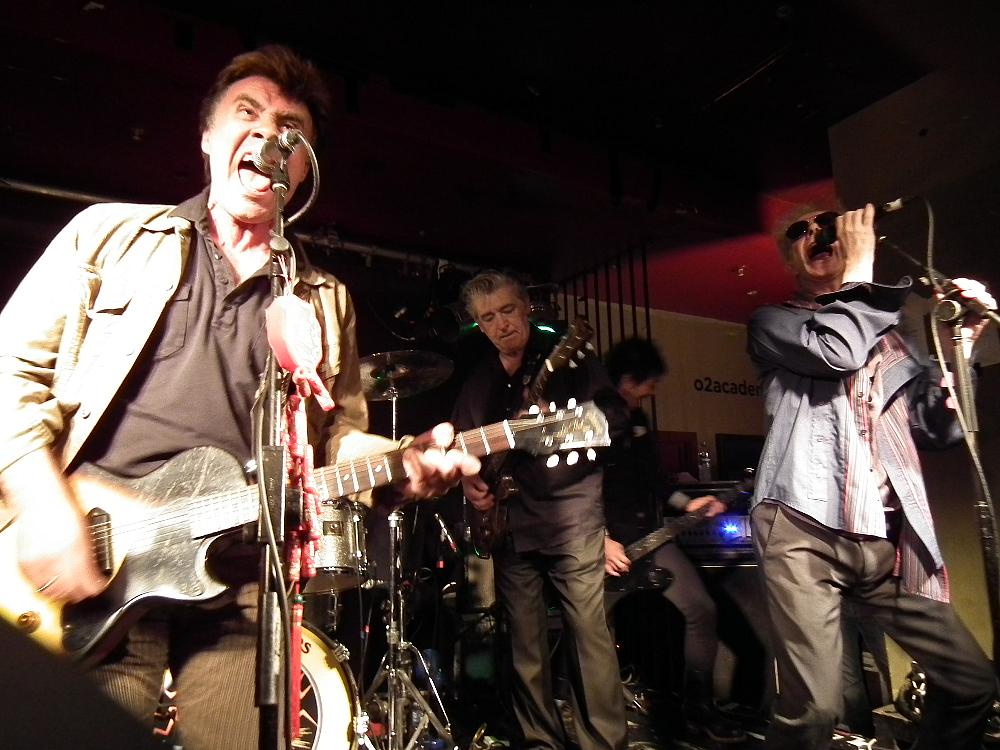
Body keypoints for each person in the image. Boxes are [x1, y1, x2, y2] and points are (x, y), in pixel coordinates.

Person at [0, 45, 478, 750]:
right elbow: (10, 370)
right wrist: (39, 501)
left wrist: (403, 463)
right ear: (207, 136)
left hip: (246, 576)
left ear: (303, 168)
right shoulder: (108, 236)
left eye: (290, 129)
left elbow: (335, 437)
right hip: (100, 556)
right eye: (246, 113)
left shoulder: (322, 298)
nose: (266, 134)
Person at [746, 203, 997, 749]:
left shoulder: (893, 339)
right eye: (801, 231)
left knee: (972, 683)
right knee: (815, 710)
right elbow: (837, 351)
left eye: (827, 223)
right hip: (801, 530)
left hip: (882, 541)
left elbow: (939, 428)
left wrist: (961, 345)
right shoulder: (774, 322)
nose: (817, 233)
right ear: (790, 258)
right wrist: (859, 270)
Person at [452, 270, 628, 750]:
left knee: (589, 638)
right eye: (488, 318)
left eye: (507, 310)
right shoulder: (478, 382)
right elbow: (464, 447)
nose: (501, 324)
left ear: (526, 307)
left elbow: (615, 417)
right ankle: (540, 742)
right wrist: (470, 483)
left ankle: (603, 743)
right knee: (525, 645)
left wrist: (568, 425)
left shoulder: (569, 360)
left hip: (571, 517)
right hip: (510, 524)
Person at [602, 337, 745, 744]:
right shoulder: (592, 418)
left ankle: (699, 708)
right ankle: (604, 718)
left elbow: (656, 481)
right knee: (594, 632)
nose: (653, 390)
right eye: (649, 382)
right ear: (627, 379)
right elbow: (579, 489)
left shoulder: (638, 418)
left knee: (701, 609)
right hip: (604, 546)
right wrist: (601, 540)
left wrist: (688, 503)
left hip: (651, 537)